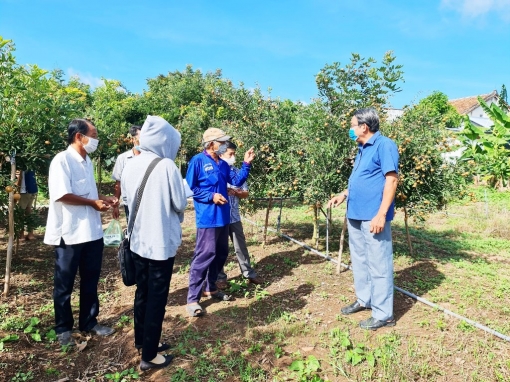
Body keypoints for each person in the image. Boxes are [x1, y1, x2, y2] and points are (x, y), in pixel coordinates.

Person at [44, 118, 119, 346]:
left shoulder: (87, 161)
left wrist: (103, 199)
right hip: (70, 233)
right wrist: (92, 203)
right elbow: (61, 194)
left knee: (90, 280)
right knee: (64, 284)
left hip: (92, 233)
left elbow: (87, 193)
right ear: (79, 136)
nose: (95, 140)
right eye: (93, 136)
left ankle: (89, 322)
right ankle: (63, 328)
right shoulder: (62, 160)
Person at [122, 115, 187, 371]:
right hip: (159, 242)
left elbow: (127, 200)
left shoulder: (131, 164)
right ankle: (150, 355)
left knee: (143, 292)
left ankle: (142, 341)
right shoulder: (167, 166)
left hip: (138, 242)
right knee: (157, 298)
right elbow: (179, 203)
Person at [327, 108, 399, 331]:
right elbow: (361, 179)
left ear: (364, 127)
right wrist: (344, 194)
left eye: (352, 125)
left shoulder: (384, 145)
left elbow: (392, 180)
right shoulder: (361, 148)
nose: (350, 129)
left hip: (373, 216)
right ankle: (364, 299)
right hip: (355, 214)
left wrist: (381, 214)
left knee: (379, 264)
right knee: (359, 261)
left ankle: (384, 314)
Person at [185, 128, 255, 317]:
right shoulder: (198, 161)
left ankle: (211, 287)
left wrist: (246, 163)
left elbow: (237, 181)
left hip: (223, 217)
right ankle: (193, 298)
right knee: (204, 255)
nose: (224, 144)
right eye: (221, 141)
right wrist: (211, 196)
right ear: (210, 144)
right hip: (207, 217)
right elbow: (190, 188)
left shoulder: (223, 164)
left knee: (221, 253)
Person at [216, 141, 262, 289]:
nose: (233, 156)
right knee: (220, 248)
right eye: (231, 154)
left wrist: (236, 192)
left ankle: (248, 273)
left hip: (234, 216)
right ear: (221, 153)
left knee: (240, 246)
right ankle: (220, 278)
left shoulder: (237, 171)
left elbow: (245, 192)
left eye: (235, 154)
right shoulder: (216, 170)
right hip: (219, 217)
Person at [112, 125, 142, 220]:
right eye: (141, 138)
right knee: (133, 231)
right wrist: (115, 206)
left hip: (147, 203)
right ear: (133, 139)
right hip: (129, 203)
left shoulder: (150, 158)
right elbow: (118, 183)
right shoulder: (123, 159)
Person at [16, 170, 38, 240]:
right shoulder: (31, 163)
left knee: (21, 212)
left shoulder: (21, 163)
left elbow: (18, 176)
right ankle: (30, 234)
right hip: (32, 189)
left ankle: (21, 235)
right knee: (29, 211)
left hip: (24, 191)